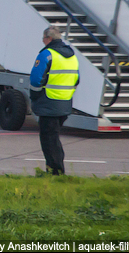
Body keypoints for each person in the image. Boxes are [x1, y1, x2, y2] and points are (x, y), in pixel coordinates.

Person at [30, 26, 80, 175]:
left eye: (43, 39)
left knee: (49, 139)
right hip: (65, 102)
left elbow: (36, 79)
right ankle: (55, 170)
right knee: (54, 137)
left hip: (48, 102)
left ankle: (55, 171)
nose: (43, 41)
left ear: (49, 39)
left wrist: (35, 96)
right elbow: (76, 79)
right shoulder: (72, 56)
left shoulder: (47, 54)